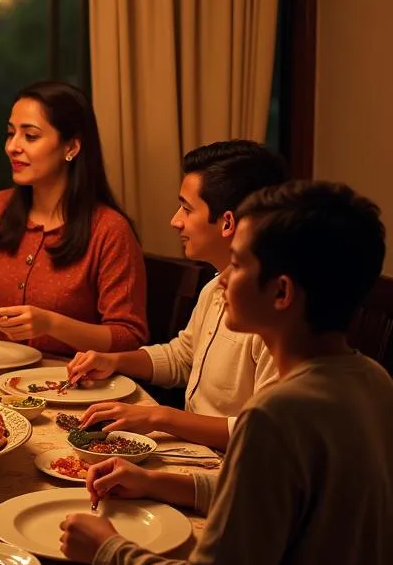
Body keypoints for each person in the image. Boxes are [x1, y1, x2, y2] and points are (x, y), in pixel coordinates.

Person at [60, 181, 393, 565]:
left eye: (236, 266)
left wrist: (106, 550)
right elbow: (287, 507)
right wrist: (158, 482)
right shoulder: (371, 381)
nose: (223, 280)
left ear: (281, 294)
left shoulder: (275, 415)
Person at [66, 140, 287, 450]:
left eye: (186, 208)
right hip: (192, 452)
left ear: (227, 222)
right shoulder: (215, 287)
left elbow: (264, 432)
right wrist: (112, 360)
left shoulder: (274, 316)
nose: (175, 220)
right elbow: (183, 357)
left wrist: (159, 418)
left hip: (232, 468)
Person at [0, 80, 147, 356]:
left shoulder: (109, 229)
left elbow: (128, 337)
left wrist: (51, 324)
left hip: (71, 386)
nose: (12, 147)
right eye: (10, 133)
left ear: (72, 147)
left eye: (30, 136)